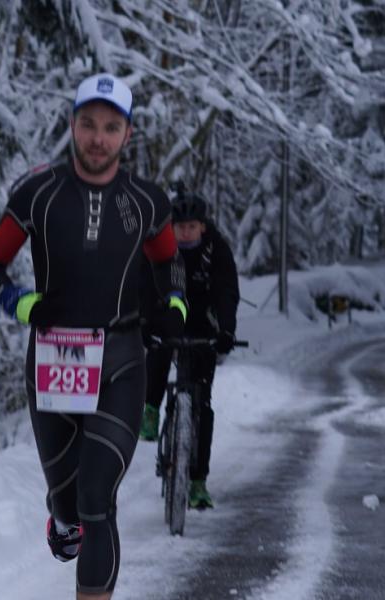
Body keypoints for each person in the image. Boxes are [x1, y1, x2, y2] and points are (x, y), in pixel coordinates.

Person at [0, 73, 186, 600]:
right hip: (52, 360)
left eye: (111, 127)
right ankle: (59, 515)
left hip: (121, 360)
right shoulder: (38, 194)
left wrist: (174, 309)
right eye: (88, 124)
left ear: (127, 136)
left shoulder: (145, 201)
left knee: (97, 498)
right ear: (72, 124)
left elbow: (170, 267)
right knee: (70, 505)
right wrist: (21, 302)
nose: (98, 138)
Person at [139, 189, 240, 510]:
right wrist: (143, 323)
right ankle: (151, 411)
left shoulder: (216, 250)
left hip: (202, 324)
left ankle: (198, 482)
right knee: (157, 349)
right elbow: (141, 284)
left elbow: (226, 291)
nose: (185, 231)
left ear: (203, 227)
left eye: (192, 226)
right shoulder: (158, 246)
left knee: (203, 402)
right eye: (179, 226)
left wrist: (226, 330)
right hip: (166, 313)